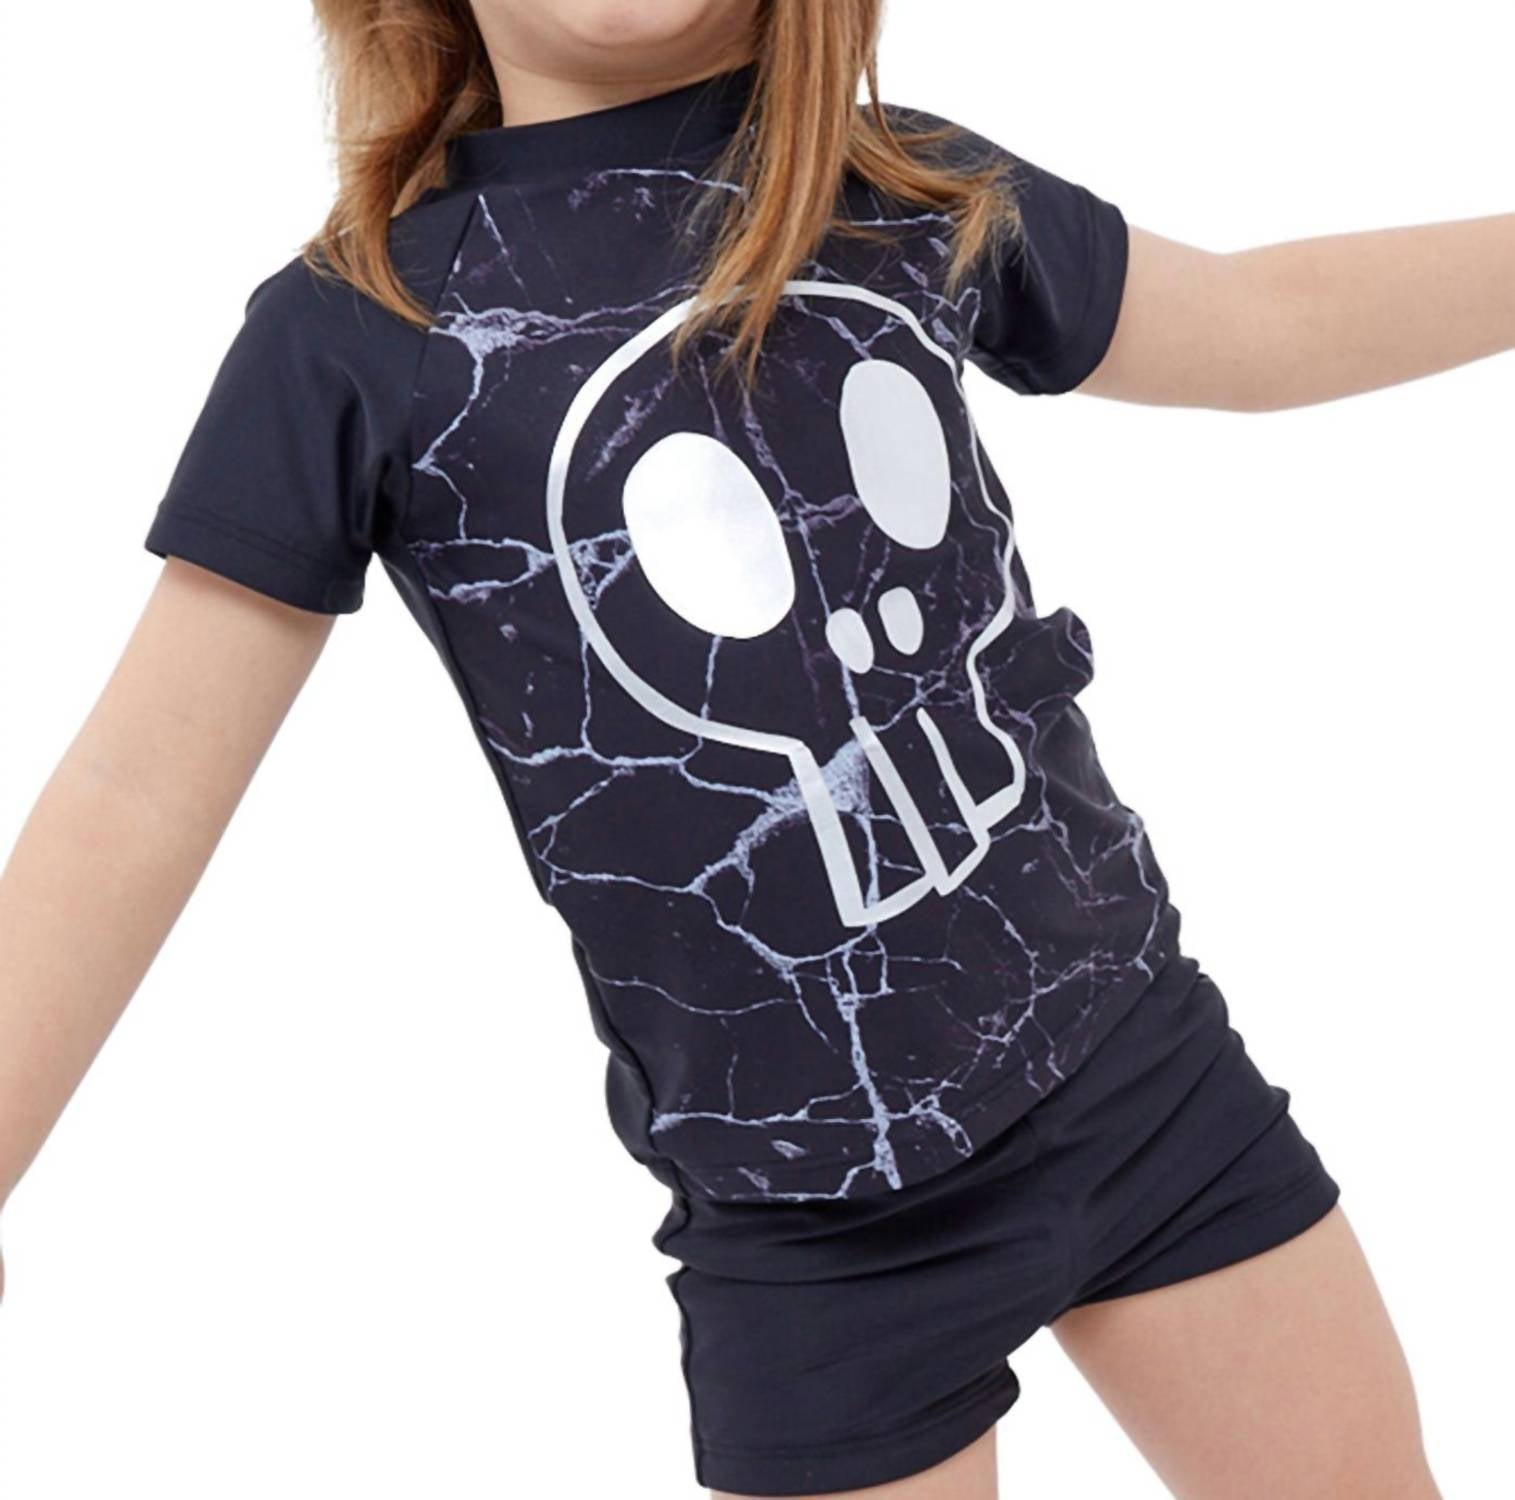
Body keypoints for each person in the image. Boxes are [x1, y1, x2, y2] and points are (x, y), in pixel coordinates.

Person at [2, 1, 1506, 1495]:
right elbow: (134, 794)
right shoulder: (357, 333)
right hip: (815, 1244)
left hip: (1144, 1080)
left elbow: (1265, 323)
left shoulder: (902, 190)